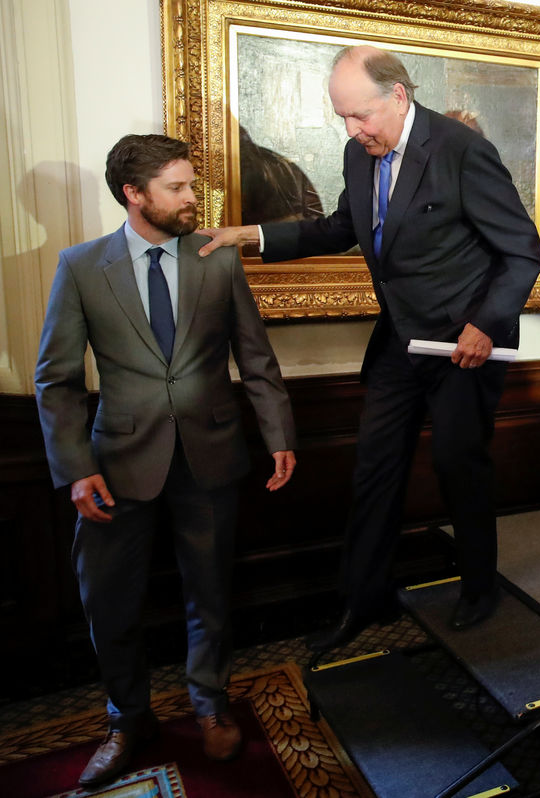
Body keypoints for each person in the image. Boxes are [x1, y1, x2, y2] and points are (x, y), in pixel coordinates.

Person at [198, 45, 540, 646]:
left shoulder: (461, 151)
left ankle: (480, 588)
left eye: (361, 116)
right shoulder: (361, 156)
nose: (353, 131)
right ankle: (364, 602)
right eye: (343, 119)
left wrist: (486, 324)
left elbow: (521, 250)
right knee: (374, 469)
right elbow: (340, 228)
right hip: (399, 344)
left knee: (459, 467)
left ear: (399, 97)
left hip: (464, 346)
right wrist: (252, 235)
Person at [35, 134, 297, 788]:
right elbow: (57, 379)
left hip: (210, 456)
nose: (192, 198)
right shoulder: (80, 266)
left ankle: (210, 705)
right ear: (135, 193)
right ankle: (127, 719)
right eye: (177, 187)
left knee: (209, 594)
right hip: (114, 465)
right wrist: (74, 467)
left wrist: (279, 435)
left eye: (190, 185)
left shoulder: (216, 261)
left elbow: (256, 358)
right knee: (110, 604)